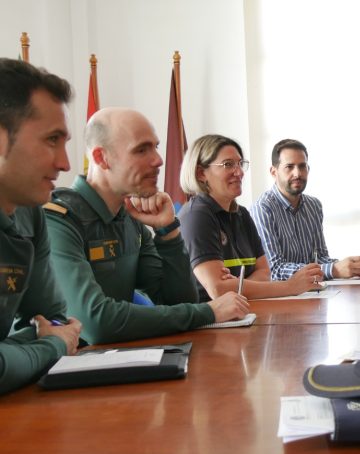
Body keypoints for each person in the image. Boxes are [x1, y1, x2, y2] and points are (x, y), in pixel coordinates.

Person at [44, 108, 249, 345]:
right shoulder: (59, 219)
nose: (158, 160)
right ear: (101, 158)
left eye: (156, 147)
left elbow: (180, 301)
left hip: (112, 358)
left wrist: (168, 231)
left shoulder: (129, 218)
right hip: (61, 362)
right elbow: (95, 323)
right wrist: (209, 312)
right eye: (141, 150)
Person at [0, 58, 82, 394]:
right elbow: (58, 337)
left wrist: (38, 341)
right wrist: (52, 346)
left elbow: (56, 321)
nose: (65, 163)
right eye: (52, 140)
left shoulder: (30, 212)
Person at [178, 134, 322, 301]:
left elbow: (265, 272)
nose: (239, 172)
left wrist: (236, 286)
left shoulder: (242, 214)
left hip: (245, 310)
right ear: (201, 173)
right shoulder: (196, 216)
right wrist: (290, 286)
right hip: (208, 316)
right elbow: (219, 289)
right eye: (228, 164)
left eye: (240, 164)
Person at [250, 138, 360, 281]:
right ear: (273, 172)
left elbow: (320, 257)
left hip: (312, 289)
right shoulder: (262, 209)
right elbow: (274, 270)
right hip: (282, 293)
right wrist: (334, 270)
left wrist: (350, 267)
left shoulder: (313, 205)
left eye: (302, 166)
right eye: (289, 167)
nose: (297, 173)